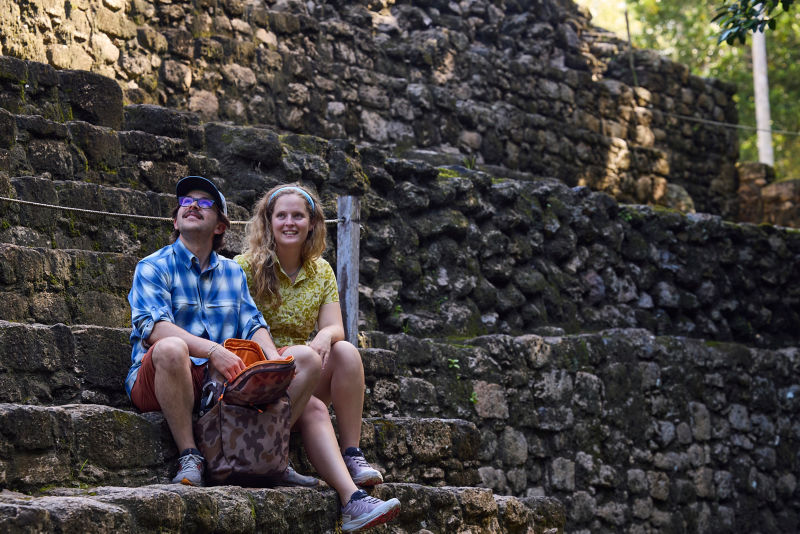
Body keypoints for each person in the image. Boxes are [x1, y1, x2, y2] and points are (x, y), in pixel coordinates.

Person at [126, 176, 322, 488]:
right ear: (175, 221)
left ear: (220, 226)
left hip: (219, 384)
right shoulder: (153, 265)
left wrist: (275, 363)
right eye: (185, 202)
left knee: (306, 359)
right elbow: (154, 329)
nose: (192, 205)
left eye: (204, 203)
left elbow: (253, 323)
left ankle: (272, 455)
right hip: (165, 374)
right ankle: (190, 455)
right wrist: (214, 351)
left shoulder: (232, 272)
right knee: (171, 347)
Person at [235, 183, 400, 532]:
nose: (290, 222)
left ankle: (352, 454)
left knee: (345, 351)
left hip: (306, 366)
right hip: (261, 374)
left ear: (312, 223)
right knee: (312, 404)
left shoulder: (320, 270)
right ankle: (352, 500)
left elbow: (335, 328)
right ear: (269, 221)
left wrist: (324, 336)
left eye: (298, 215)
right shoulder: (243, 267)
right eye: (282, 215)